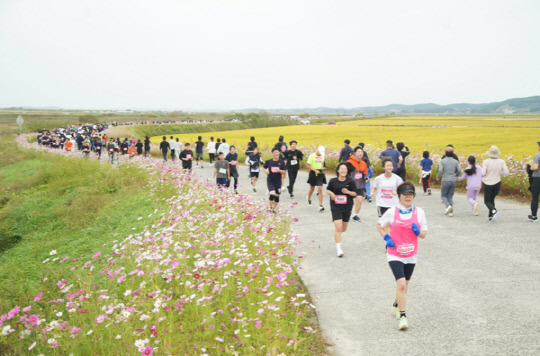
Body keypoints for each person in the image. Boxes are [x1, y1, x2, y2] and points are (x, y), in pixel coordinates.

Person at [376, 182, 428, 330]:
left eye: (411, 194)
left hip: (411, 254)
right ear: (399, 196)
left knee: (405, 286)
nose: (408, 197)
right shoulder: (392, 211)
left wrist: (418, 232)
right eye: (405, 194)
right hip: (395, 254)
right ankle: (403, 316)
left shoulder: (420, 212)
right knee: (401, 284)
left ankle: (396, 304)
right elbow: (379, 224)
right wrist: (386, 237)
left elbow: (424, 234)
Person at [326, 162, 357, 257]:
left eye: (345, 169)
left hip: (347, 206)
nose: (343, 170)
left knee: (343, 228)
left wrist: (348, 192)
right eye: (341, 169)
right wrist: (331, 194)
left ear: (347, 171)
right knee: (338, 227)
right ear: (338, 170)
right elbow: (327, 190)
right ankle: (339, 248)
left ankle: (338, 234)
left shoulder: (350, 181)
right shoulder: (332, 181)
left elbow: (355, 193)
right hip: (335, 206)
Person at [482, 146, 509, 222]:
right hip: (497, 182)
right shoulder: (501, 161)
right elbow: (506, 172)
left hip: (488, 182)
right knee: (492, 199)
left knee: (487, 201)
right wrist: (499, 173)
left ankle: (494, 210)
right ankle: (490, 216)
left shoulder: (486, 161)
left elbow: (483, 173)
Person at [436, 145, 462, 217]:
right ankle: (451, 212)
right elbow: (459, 170)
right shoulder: (455, 161)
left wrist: (438, 176)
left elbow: (440, 170)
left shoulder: (442, 161)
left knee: (443, 196)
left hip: (445, 180)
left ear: (445, 153)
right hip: (453, 180)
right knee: (450, 197)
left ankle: (448, 206)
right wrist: (455, 175)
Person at [347, 147, 369, 222]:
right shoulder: (349, 162)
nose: (360, 153)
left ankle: (355, 215)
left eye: (361, 152)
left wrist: (366, 178)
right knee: (352, 202)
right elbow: (345, 173)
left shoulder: (364, 163)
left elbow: (365, 174)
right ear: (355, 153)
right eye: (359, 152)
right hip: (351, 186)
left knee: (359, 200)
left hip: (360, 185)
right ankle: (346, 213)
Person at [263, 147, 286, 213]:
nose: (277, 153)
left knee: (277, 196)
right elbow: (264, 168)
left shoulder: (281, 162)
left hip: (278, 181)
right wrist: (265, 171)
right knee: (272, 194)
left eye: (278, 152)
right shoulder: (268, 162)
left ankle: (274, 208)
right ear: (272, 153)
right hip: (270, 180)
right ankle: (271, 208)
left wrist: (279, 170)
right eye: (275, 152)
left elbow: (284, 171)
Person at [306, 146, 327, 212]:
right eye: (320, 152)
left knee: (320, 188)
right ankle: (308, 198)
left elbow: (322, 163)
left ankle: (320, 205)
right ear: (317, 150)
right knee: (312, 188)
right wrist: (315, 170)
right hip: (313, 173)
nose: (321, 154)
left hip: (320, 173)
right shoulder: (312, 156)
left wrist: (322, 167)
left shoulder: (322, 156)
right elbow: (307, 165)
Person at [528, 141, 540, 222]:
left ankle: (534, 216)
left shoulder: (537, 155)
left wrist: (530, 168)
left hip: (537, 178)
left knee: (535, 197)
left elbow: (535, 167)